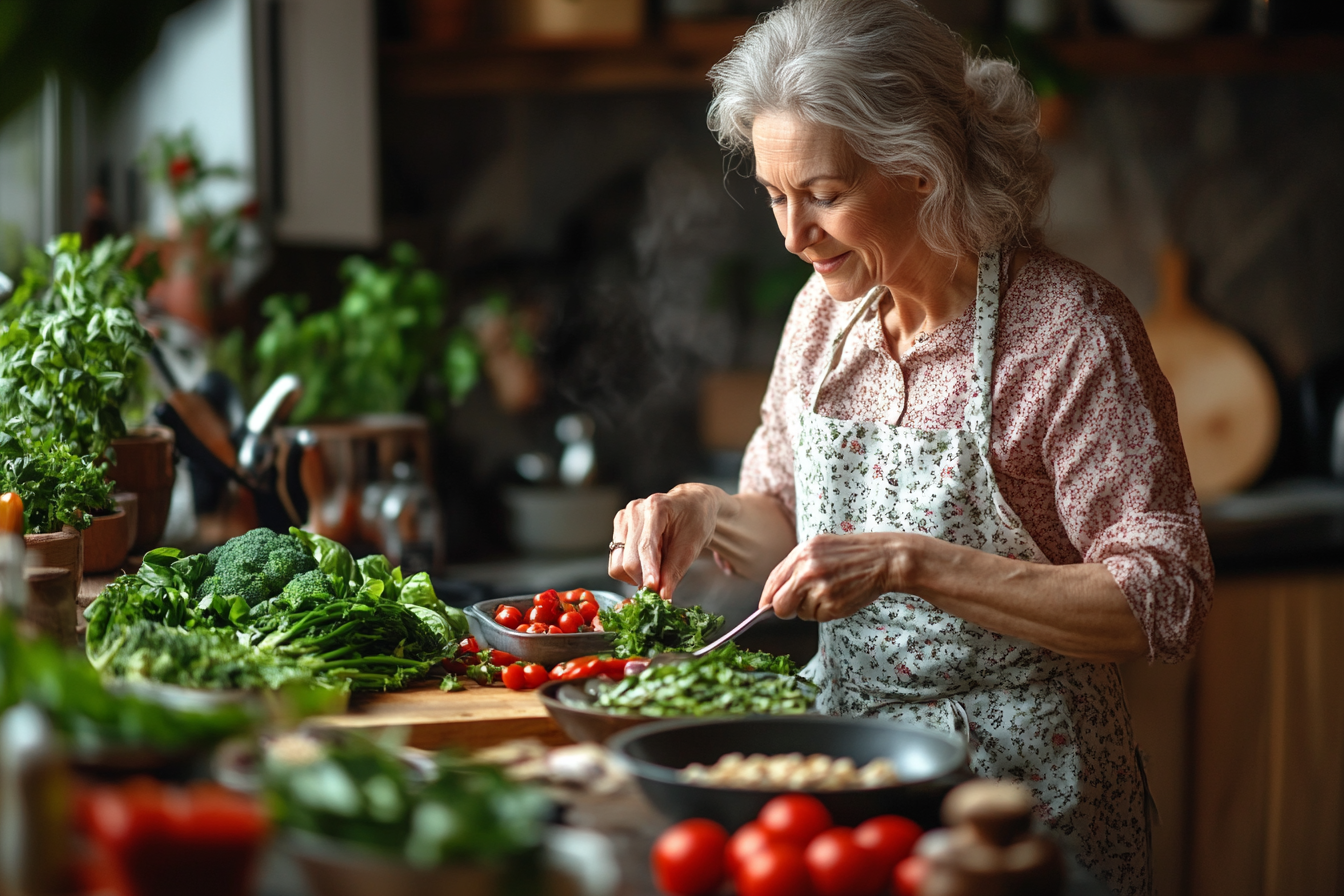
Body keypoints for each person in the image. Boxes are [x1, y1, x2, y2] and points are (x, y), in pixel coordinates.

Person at [606, 2, 1213, 894]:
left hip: (1020, 813)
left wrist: (910, 563)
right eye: (776, 195)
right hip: (843, 790)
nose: (791, 234)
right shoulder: (822, 316)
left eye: (823, 194)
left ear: (922, 169)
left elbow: (1164, 600)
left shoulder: (1068, 335)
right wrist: (708, 513)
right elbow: (790, 534)